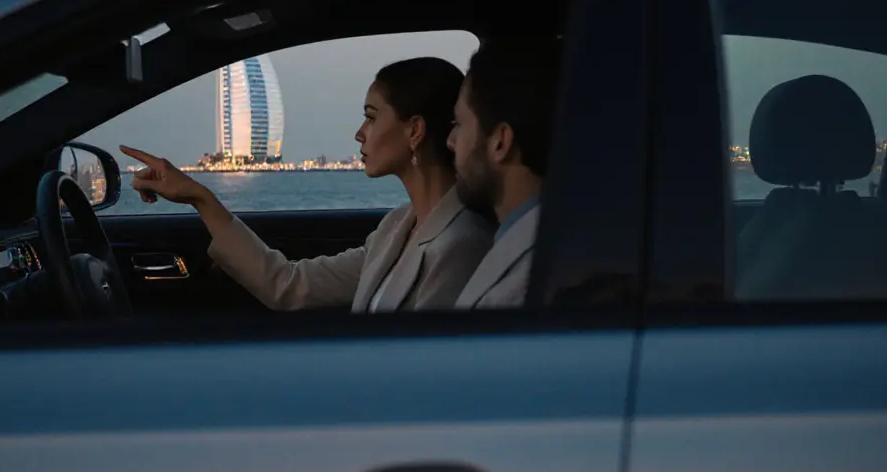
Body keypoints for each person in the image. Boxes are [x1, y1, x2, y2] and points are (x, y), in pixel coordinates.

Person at [120, 57, 494, 312]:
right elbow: (289, 286)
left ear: (414, 130)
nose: (359, 134)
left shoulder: (462, 245)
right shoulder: (397, 227)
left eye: (371, 117)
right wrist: (200, 197)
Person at [447, 37, 562, 309]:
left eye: (459, 124)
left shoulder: (524, 286)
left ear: (500, 142)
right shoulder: (546, 243)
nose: (450, 141)